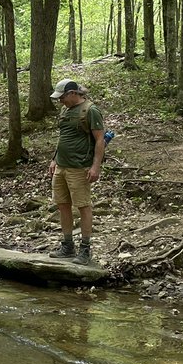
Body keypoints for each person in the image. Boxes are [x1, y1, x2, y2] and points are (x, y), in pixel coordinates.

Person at [47, 79, 105, 264]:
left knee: (83, 206)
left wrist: (96, 166)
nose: (60, 101)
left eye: (62, 97)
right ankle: (67, 246)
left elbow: (100, 140)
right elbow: (63, 136)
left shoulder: (91, 110)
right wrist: (54, 159)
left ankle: (85, 249)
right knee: (62, 204)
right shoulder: (65, 110)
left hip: (80, 167)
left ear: (73, 93)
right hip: (61, 166)